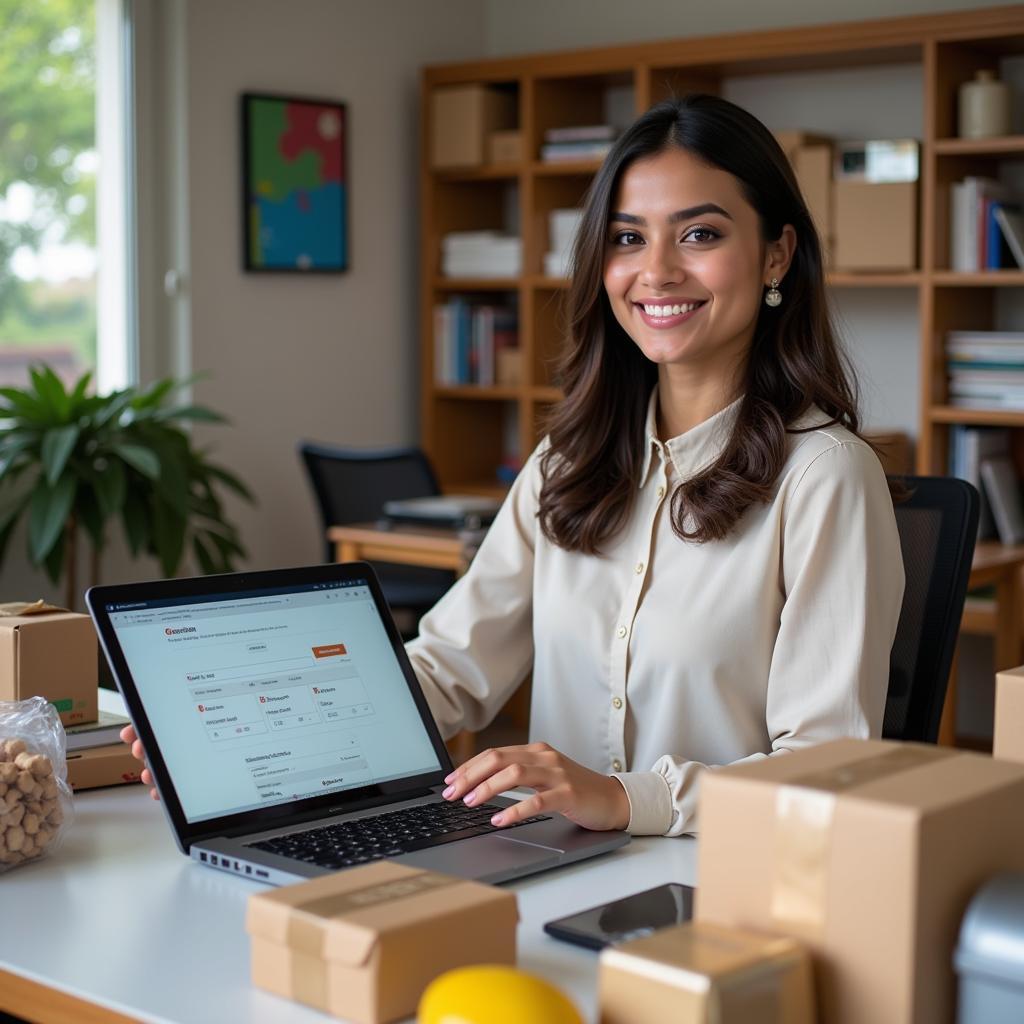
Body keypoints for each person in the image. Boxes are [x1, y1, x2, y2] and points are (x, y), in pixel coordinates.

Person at [123, 94, 904, 838]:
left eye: (699, 235)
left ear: (777, 254)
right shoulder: (571, 458)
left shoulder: (826, 476)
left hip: (714, 878)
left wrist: (622, 798)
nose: (656, 271)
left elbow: (825, 770)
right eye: (628, 238)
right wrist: (266, 740)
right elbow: (455, 665)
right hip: (543, 855)